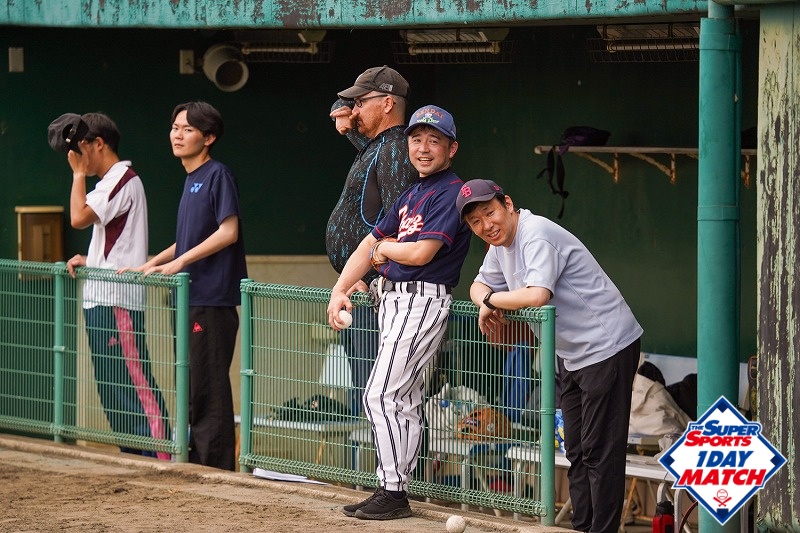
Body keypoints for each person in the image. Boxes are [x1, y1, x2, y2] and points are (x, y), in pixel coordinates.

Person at [457, 179, 643, 533]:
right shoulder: (499, 245)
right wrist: (485, 300)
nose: (486, 225)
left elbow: (537, 295)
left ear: (507, 204)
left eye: (490, 213)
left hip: (607, 345)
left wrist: (492, 301)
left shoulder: (535, 233)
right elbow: (478, 284)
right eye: (475, 222)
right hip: (570, 353)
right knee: (575, 448)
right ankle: (583, 526)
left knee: (599, 449)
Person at [327, 105, 471, 521]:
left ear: (451, 148)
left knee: (381, 393)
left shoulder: (451, 191)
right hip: (394, 300)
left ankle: (392, 491)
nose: (423, 148)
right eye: (416, 139)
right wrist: (339, 289)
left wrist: (382, 250)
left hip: (421, 299)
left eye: (434, 141)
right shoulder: (413, 192)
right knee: (402, 399)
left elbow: (421, 252)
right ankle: (393, 490)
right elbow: (367, 243)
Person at [124, 101, 247, 471]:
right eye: (175, 127)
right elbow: (189, 240)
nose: (177, 135)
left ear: (208, 138)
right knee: (193, 384)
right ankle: (198, 462)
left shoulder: (217, 175)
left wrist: (179, 263)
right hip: (188, 296)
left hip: (211, 299)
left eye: (188, 129)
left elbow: (228, 231)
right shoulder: (191, 178)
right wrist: (153, 262)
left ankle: (215, 469)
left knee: (208, 386)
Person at [48, 112, 170, 460]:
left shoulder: (122, 178)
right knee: (112, 388)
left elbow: (78, 217)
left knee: (134, 383)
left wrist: (77, 175)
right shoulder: (110, 181)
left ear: (97, 144)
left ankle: (163, 458)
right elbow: (116, 241)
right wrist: (91, 260)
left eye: (78, 149)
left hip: (117, 299)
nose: (75, 158)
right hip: (101, 297)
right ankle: (135, 458)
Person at [326, 65, 419, 416]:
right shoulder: (379, 144)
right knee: (370, 398)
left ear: (387, 104)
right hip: (360, 289)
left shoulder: (395, 149)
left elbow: (400, 227)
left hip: (378, 297)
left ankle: (397, 457)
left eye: (361, 103)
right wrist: (344, 114)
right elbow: (341, 109)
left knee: (383, 402)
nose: (355, 110)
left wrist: (371, 277)